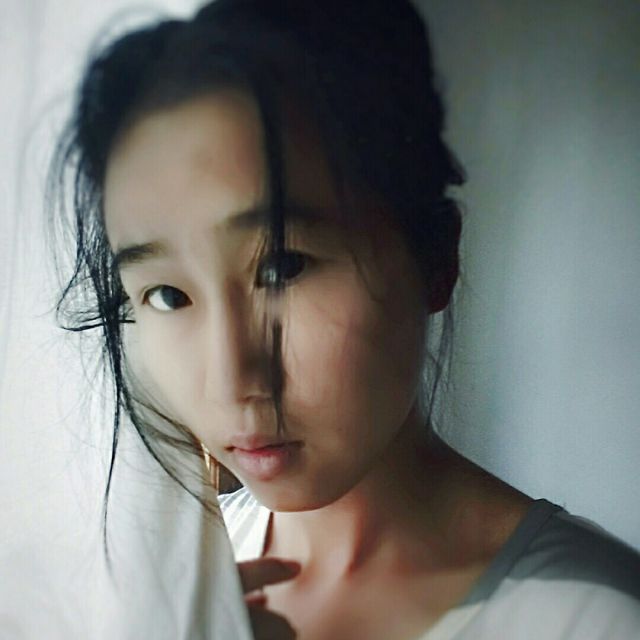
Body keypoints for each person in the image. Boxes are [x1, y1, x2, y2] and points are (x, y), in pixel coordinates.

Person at [48, 0, 640, 638]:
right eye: (167, 295)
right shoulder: (176, 596)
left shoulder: (597, 619)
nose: (230, 379)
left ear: (435, 257)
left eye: (284, 267)